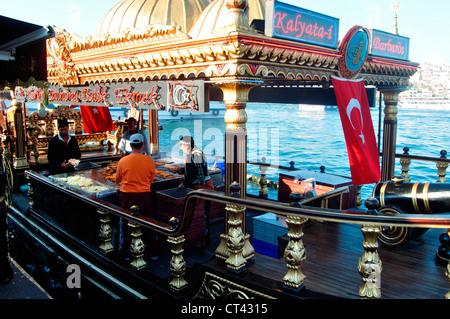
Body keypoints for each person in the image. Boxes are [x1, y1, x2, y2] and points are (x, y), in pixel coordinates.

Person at [115, 133, 158, 259]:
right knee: (148, 223)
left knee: (126, 225)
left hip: (127, 196)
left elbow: (117, 179)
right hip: (144, 195)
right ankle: (154, 252)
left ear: (130, 145)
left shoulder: (123, 161)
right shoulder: (149, 160)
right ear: (143, 145)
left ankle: (126, 253)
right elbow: (151, 178)